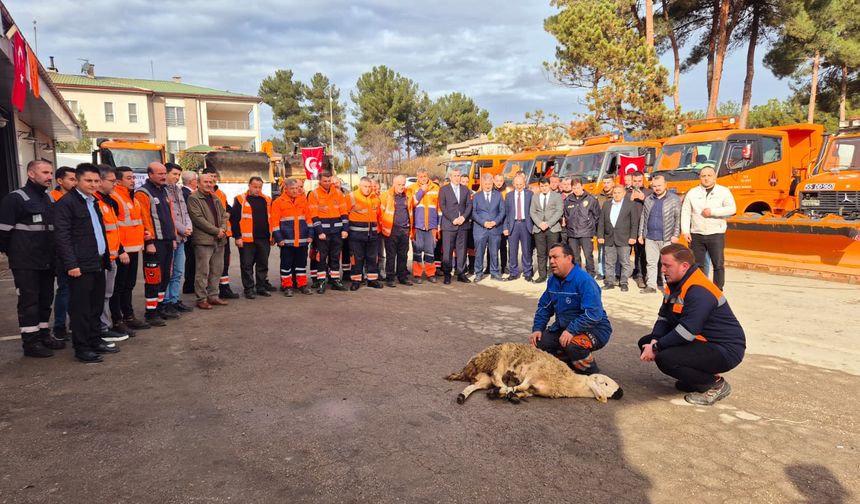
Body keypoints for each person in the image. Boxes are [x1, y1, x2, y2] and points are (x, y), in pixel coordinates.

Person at [638, 244, 745, 405]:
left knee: (665, 358)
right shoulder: (675, 283)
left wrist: (656, 348)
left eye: (667, 265)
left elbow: (688, 331)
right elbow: (663, 319)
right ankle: (696, 379)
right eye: (662, 265)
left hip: (724, 349)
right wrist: (654, 341)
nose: (663, 270)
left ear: (684, 266)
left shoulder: (699, 289)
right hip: (701, 340)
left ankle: (715, 384)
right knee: (645, 342)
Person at [0, 160, 66, 357]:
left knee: (45, 298)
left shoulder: (49, 199)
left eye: (50, 173)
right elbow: (3, 233)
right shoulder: (16, 199)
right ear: (31, 174)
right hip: (25, 261)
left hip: (46, 259)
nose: (49, 177)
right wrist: (14, 253)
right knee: (29, 301)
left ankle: (44, 334)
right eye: (45, 172)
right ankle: (30, 342)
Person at [54, 164, 119, 363]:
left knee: (95, 306)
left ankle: (94, 339)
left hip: (97, 262)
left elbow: (98, 232)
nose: (93, 184)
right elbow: (62, 237)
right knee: (81, 308)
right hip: (80, 266)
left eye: (96, 181)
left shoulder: (93, 202)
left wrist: (106, 258)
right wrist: (71, 265)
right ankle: (82, 347)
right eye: (88, 181)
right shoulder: (67, 203)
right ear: (78, 181)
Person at [530, 242, 612, 375]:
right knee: (539, 343)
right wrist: (537, 328)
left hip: (595, 330)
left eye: (556, 257)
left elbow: (593, 314)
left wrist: (571, 330)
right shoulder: (552, 281)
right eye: (550, 258)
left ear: (569, 258)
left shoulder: (584, 281)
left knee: (572, 344)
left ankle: (592, 373)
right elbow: (544, 307)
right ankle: (569, 362)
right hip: (565, 328)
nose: (551, 261)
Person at [135, 162, 177, 326]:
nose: (163, 176)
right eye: (159, 173)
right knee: (153, 278)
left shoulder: (164, 190)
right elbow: (144, 220)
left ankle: (159, 308)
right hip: (154, 243)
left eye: (164, 173)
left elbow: (170, 216)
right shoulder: (143, 193)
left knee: (165, 277)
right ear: (150, 175)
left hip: (167, 240)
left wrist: (173, 237)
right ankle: (150, 313)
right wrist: (149, 242)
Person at [681, 167, 736, 290]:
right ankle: (699, 287)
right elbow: (685, 212)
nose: (706, 178)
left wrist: (713, 212)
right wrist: (685, 231)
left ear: (714, 177)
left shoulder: (724, 191)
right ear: (700, 177)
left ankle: (718, 289)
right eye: (703, 176)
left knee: (718, 263)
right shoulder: (693, 192)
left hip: (716, 233)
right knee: (697, 264)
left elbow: (732, 209)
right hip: (697, 234)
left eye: (709, 175)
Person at [109, 166, 150, 333]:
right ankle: (117, 319)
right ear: (118, 181)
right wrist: (120, 250)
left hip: (134, 249)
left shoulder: (132, 198)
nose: (133, 180)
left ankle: (128, 315)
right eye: (129, 178)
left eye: (133, 177)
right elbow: (114, 227)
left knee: (129, 285)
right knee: (118, 286)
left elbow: (137, 221)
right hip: (122, 251)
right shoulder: (114, 198)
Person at [94, 166, 130, 342]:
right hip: (101, 258)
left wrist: (120, 249)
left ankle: (105, 327)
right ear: (99, 181)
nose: (115, 184)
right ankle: (102, 329)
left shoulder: (107, 202)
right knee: (100, 296)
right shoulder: (95, 203)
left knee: (107, 295)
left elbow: (114, 231)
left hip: (112, 256)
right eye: (111, 180)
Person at [187, 172, 230, 309]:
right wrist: (216, 231)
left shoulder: (215, 197)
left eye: (211, 182)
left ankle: (213, 296)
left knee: (217, 270)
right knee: (203, 271)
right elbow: (198, 219)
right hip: (204, 240)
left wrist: (222, 229)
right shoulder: (193, 198)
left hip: (219, 239)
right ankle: (201, 299)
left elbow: (224, 215)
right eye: (206, 182)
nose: (209, 184)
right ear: (198, 183)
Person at [270, 178, 315, 296]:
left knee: (301, 264)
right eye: (292, 189)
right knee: (286, 265)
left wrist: (311, 235)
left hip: (302, 240)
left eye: (296, 188)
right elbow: (274, 223)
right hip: (286, 241)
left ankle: (302, 285)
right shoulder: (278, 202)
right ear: (286, 189)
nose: (295, 191)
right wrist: (279, 239)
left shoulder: (303, 201)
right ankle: (287, 286)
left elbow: (309, 220)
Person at [230, 176, 274, 298]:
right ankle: (249, 289)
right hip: (246, 240)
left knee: (262, 264)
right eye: (255, 187)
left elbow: (272, 219)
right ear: (249, 186)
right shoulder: (240, 200)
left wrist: (272, 236)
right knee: (246, 265)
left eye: (260, 187)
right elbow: (234, 220)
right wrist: (237, 237)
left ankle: (261, 287)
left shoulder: (267, 200)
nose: (257, 189)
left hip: (264, 238)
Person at [637, 174, 681, 294]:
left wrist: (676, 234)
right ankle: (651, 286)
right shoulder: (649, 199)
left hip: (666, 237)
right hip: (650, 237)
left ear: (665, 185)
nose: (657, 188)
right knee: (651, 262)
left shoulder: (674, 199)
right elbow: (643, 217)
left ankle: (668, 287)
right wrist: (641, 234)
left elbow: (678, 218)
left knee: (667, 264)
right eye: (654, 186)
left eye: (659, 185)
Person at [308, 170, 349, 293]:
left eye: (329, 181)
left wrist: (345, 229)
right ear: (319, 180)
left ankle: (335, 279)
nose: (327, 183)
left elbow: (344, 213)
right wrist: (319, 231)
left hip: (337, 231)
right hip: (322, 233)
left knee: (335, 256)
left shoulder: (338, 193)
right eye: (324, 181)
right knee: (321, 257)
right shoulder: (314, 194)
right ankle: (321, 281)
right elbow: (313, 215)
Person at [50, 166, 77, 341]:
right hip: (63, 253)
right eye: (71, 179)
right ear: (60, 181)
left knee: (77, 291)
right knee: (65, 290)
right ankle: (59, 326)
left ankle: (75, 323)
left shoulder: (76, 199)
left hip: (78, 251)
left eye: (76, 179)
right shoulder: (52, 199)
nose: (75, 182)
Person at [205, 168, 239, 300]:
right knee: (209, 263)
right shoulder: (199, 194)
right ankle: (210, 290)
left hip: (224, 234)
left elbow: (226, 209)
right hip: (209, 234)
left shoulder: (221, 193)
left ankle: (224, 288)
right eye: (209, 177)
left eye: (214, 176)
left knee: (224, 262)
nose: (213, 179)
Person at [164, 163, 194, 312]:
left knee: (178, 271)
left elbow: (185, 212)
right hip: (171, 238)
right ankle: (167, 301)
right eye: (174, 174)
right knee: (168, 272)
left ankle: (175, 300)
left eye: (178, 175)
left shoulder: (179, 190)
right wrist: (183, 229)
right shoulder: (162, 191)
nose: (176, 177)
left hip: (182, 238)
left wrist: (188, 228)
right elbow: (169, 216)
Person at [597, 185, 637, 291]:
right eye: (615, 192)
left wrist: (633, 236)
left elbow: (634, 223)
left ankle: (624, 282)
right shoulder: (607, 204)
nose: (616, 194)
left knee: (625, 262)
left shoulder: (630, 205)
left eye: (619, 192)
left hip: (624, 238)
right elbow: (601, 222)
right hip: (609, 237)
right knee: (609, 262)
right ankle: (609, 282)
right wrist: (600, 235)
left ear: (624, 193)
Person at [347, 177, 383, 291]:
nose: (367, 189)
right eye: (365, 186)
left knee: (372, 258)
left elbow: (378, 215)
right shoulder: (351, 197)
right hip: (356, 235)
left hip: (372, 235)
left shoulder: (375, 198)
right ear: (360, 186)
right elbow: (344, 214)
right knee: (357, 259)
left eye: (369, 187)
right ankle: (356, 280)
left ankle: (372, 280)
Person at [438, 168, 473, 284]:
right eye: (455, 176)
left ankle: (461, 273)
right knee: (447, 251)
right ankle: (447, 275)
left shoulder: (465, 190)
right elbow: (443, 206)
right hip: (449, 225)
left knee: (462, 250)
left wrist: (463, 217)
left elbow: (469, 205)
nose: (457, 178)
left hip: (463, 225)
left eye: (458, 175)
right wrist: (453, 219)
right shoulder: (444, 190)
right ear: (450, 177)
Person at [380, 175, 414, 287]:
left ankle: (402, 277)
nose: (401, 187)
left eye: (403, 184)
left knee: (403, 255)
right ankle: (390, 278)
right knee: (391, 255)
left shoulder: (408, 195)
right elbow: (380, 214)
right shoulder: (386, 196)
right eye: (399, 184)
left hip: (404, 230)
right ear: (393, 184)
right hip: (391, 230)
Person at [471, 173, 506, 282]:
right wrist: (484, 223)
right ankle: (478, 273)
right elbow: (473, 213)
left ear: (493, 183)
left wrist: (495, 222)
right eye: (485, 184)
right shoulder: (476, 196)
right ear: (482, 184)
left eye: (489, 184)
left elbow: (502, 211)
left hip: (495, 229)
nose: (487, 186)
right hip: (480, 229)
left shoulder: (498, 195)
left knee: (494, 252)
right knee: (479, 252)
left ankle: (494, 272)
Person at [562, 177, 600, 277]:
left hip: (586, 233)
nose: (576, 190)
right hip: (572, 233)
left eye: (578, 188)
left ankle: (590, 274)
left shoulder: (591, 199)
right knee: (575, 256)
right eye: (574, 188)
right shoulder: (568, 200)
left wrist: (590, 226)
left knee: (588, 255)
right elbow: (566, 215)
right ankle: (577, 274)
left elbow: (597, 216)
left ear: (582, 186)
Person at [409, 170, 441, 283]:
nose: (423, 178)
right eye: (421, 176)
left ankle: (430, 273)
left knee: (430, 252)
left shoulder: (435, 188)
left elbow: (439, 209)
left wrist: (439, 225)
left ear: (428, 176)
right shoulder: (412, 188)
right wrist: (421, 191)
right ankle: (417, 275)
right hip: (417, 226)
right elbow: (411, 203)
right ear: (417, 177)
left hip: (431, 226)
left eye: (425, 176)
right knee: (417, 251)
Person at [529, 177, 563, 283]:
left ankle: (553, 275)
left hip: (552, 228)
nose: (544, 188)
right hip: (539, 229)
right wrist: (539, 223)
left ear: (549, 185)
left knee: (553, 253)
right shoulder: (535, 197)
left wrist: (548, 224)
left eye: (546, 186)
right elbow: (532, 212)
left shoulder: (557, 196)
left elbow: (559, 211)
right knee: (541, 253)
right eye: (542, 186)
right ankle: (542, 275)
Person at [502, 173, 534, 282]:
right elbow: (506, 213)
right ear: (513, 184)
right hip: (513, 225)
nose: (519, 186)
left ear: (524, 184)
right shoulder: (509, 196)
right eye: (517, 184)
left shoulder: (530, 194)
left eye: (521, 184)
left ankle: (528, 272)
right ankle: (513, 272)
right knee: (512, 250)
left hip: (526, 224)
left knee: (526, 250)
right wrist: (505, 227)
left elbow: (533, 211)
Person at [627, 171, 652, 289]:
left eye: (639, 181)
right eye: (635, 181)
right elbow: (623, 209)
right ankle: (637, 274)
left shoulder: (649, 193)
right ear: (631, 181)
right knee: (634, 253)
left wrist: (643, 198)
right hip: (630, 228)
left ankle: (644, 275)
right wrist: (630, 200)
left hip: (645, 228)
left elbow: (653, 208)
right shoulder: (627, 193)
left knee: (644, 254)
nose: (637, 183)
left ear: (643, 181)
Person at [181, 170, 198, 295]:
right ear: (192, 182)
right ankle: (189, 285)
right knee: (192, 259)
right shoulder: (189, 194)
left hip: (189, 231)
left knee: (191, 259)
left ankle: (189, 285)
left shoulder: (185, 192)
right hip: (191, 232)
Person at [595, 175, 615, 281]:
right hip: (601, 228)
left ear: (613, 183)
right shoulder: (598, 197)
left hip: (615, 229)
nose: (606, 185)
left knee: (613, 252)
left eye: (608, 182)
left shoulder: (617, 196)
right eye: (604, 183)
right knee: (601, 252)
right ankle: (601, 272)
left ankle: (614, 273)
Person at [492, 174, 510, 275]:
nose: (499, 183)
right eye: (497, 180)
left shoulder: (506, 192)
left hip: (503, 223)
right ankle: (490, 267)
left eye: (501, 181)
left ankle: (504, 266)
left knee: (503, 246)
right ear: (494, 180)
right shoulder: (490, 190)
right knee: (491, 246)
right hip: (493, 223)